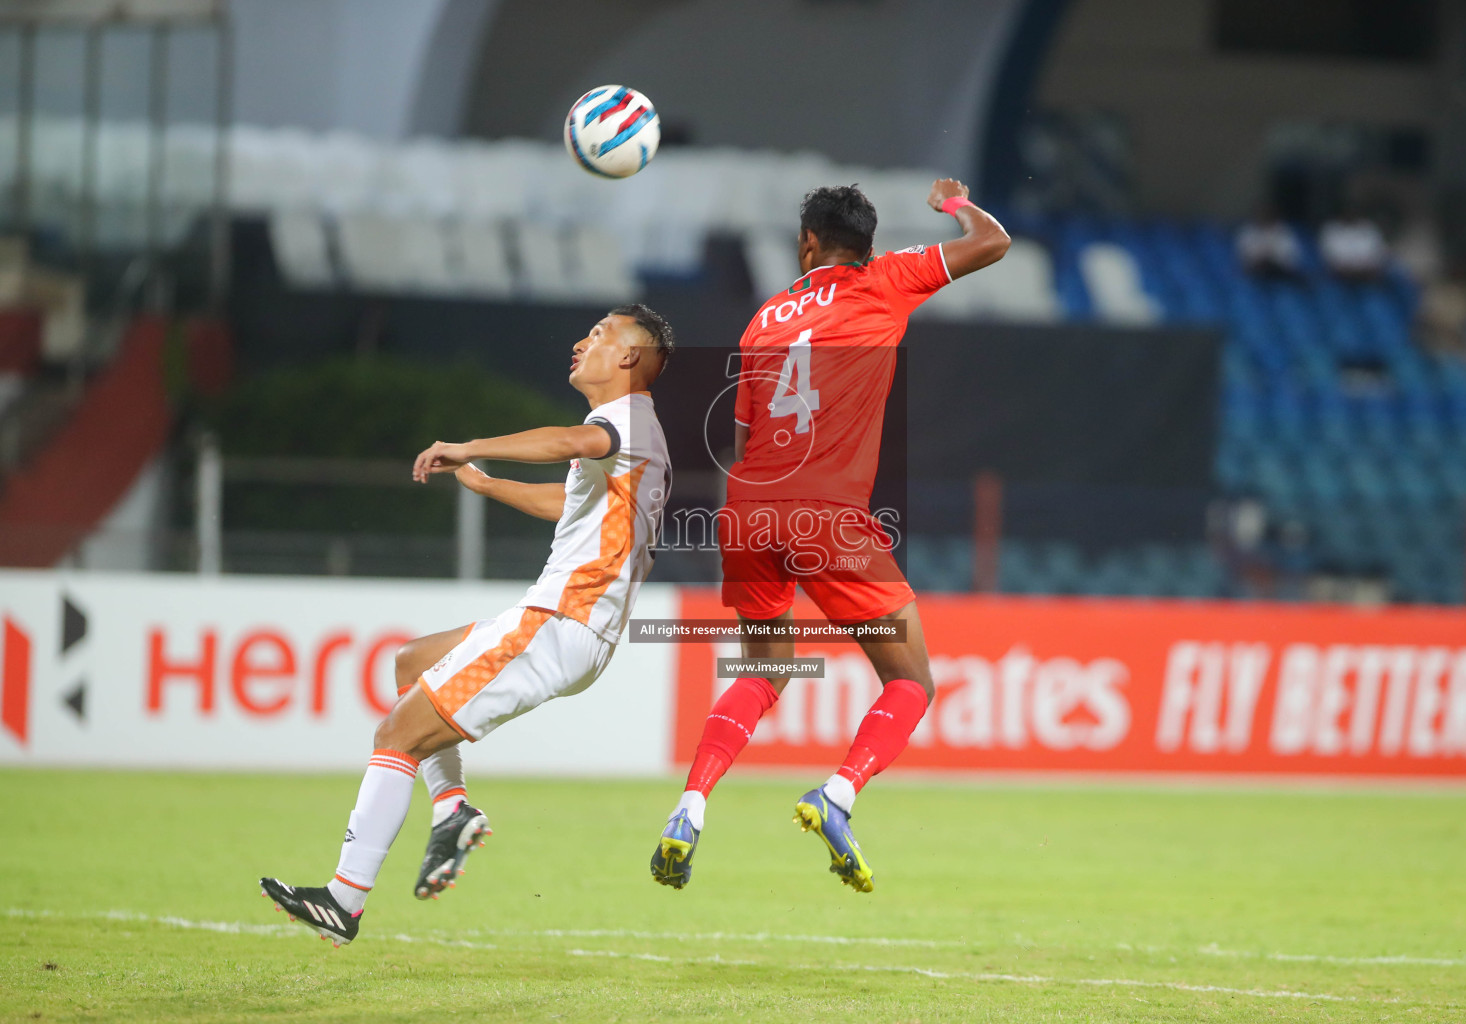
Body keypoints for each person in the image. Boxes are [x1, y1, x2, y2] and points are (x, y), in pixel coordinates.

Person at [261, 304, 674, 946]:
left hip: (561, 619)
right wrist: (484, 483)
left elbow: (569, 442)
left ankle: (344, 900)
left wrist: (468, 444)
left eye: (597, 335)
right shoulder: (639, 435)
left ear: (626, 356)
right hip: (566, 622)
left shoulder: (620, 422)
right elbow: (570, 506)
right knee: (411, 663)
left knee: (397, 734)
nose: (580, 341)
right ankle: (451, 810)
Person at [650, 180, 1009, 893]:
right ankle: (837, 794)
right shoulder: (885, 280)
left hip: (748, 509)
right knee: (911, 679)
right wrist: (955, 205)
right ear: (866, 245)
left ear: (807, 242)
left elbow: (744, 438)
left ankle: (690, 805)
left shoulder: (762, 320)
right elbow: (993, 242)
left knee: (761, 669)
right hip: (828, 513)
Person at [1319, 209, 1389, 283]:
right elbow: (1328, 262)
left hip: (1368, 279)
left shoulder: (1369, 228)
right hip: (1338, 281)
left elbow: (1380, 258)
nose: (1351, 214)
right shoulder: (1331, 229)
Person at [1236, 206, 1303, 280]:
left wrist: (1272, 257)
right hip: (1255, 273)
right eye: (1261, 214)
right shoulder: (1247, 232)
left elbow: (1291, 258)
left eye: (1268, 214)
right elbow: (1244, 259)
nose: (1264, 216)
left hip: (1280, 272)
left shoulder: (1284, 231)